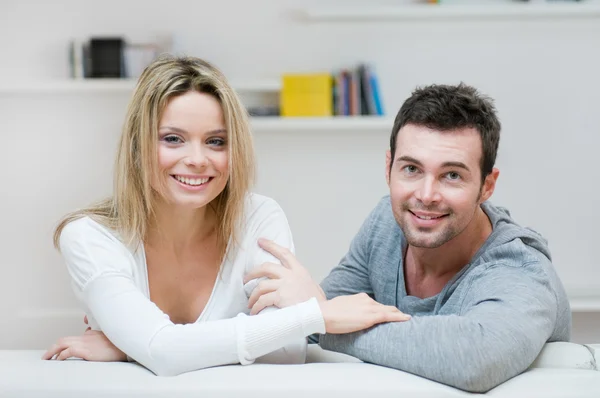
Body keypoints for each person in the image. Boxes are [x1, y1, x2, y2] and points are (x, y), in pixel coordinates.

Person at [41, 55, 411, 376]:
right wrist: (316, 315)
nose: (198, 159)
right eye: (173, 138)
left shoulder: (258, 218)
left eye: (216, 141)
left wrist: (132, 348)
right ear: (138, 146)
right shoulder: (90, 236)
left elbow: (285, 353)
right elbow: (166, 352)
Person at [244, 83, 571, 393]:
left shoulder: (521, 266)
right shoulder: (386, 224)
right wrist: (318, 316)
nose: (426, 195)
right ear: (389, 168)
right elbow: (316, 323)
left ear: (487, 185)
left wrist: (318, 317)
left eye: (452, 175)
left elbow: (478, 359)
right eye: (412, 169)